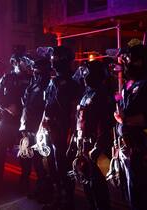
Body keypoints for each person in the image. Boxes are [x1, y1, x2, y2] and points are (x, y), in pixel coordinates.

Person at [114, 44, 147, 210]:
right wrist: (116, 99)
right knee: (129, 189)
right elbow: (120, 99)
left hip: (143, 146)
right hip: (127, 146)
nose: (124, 63)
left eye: (128, 59)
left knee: (142, 192)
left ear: (139, 62)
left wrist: (126, 121)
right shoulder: (130, 83)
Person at [67, 60, 115, 210]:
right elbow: (79, 120)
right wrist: (73, 142)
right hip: (84, 144)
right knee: (86, 181)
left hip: (97, 147)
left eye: (88, 73)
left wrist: (99, 147)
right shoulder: (87, 93)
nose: (85, 76)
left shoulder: (104, 95)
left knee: (99, 184)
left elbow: (106, 124)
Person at [41, 46, 80, 210]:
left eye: (56, 58)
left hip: (63, 129)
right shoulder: (53, 80)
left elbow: (74, 110)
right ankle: (58, 197)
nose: (53, 61)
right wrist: (43, 122)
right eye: (53, 58)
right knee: (52, 165)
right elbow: (47, 104)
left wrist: (71, 133)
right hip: (51, 128)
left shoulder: (72, 84)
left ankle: (68, 201)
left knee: (63, 166)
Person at [0, 53, 31, 184]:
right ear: (15, 63)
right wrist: (7, 107)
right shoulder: (6, 78)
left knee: (25, 151)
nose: (25, 65)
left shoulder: (31, 79)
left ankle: (24, 181)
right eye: (22, 62)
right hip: (7, 120)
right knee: (0, 149)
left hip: (24, 122)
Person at [18, 55, 52, 202]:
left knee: (42, 163)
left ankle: (46, 191)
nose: (33, 71)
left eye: (36, 69)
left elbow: (46, 107)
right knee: (33, 160)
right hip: (29, 126)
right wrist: (24, 126)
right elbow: (26, 104)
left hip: (39, 130)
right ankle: (40, 188)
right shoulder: (34, 83)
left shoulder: (47, 84)